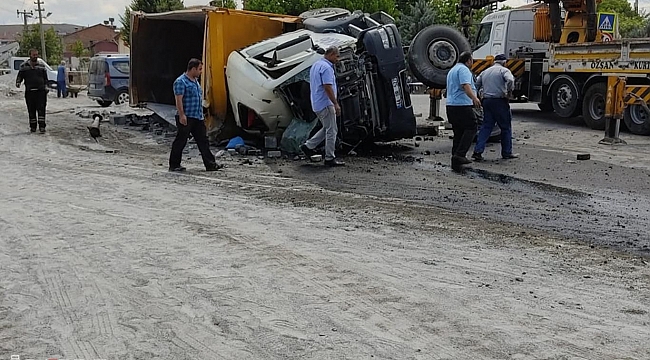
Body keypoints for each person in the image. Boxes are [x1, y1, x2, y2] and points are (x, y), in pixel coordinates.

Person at [168, 58, 222, 172]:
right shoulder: (180, 82)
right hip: (187, 117)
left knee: (203, 141)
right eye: (199, 69)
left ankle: (210, 164)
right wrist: (182, 115)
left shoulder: (195, 81)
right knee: (181, 141)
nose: (201, 71)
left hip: (197, 117)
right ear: (193, 69)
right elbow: (178, 100)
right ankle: (174, 165)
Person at [300, 46, 345, 167]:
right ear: (331, 54)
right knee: (332, 130)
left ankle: (308, 146)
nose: (338, 59)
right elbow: (327, 87)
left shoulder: (316, 65)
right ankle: (330, 158)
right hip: (326, 104)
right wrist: (335, 104)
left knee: (327, 127)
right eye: (337, 56)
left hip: (317, 103)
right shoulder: (326, 68)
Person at [472, 54, 519, 161]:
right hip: (499, 101)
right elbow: (510, 80)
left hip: (487, 101)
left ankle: (478, 151)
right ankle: (507, 152)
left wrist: (480, 95)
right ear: (504, 62)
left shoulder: (485, 71)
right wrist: (509, 92)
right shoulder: (504, 71)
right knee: (505, 127)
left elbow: (476, 84)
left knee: (486, 126)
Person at [445, 51, 481, 171]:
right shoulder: (464, 70)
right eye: (472, 60)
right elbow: (466, 85)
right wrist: (474, 98)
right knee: (472, 126)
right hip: (462, 105)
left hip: (451, 105)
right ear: (469, 60)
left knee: (459, 131)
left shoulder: (452, 70)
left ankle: (455, 157)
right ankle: (460, 154)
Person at [15, 49, 49, 133]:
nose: (35, 56)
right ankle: (33, 127)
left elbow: (45, 78)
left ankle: (42, 127)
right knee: (31, 110)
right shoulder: (24, 66)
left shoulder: (41, 66)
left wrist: (46, 86)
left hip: (41, 92)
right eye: (34, 55)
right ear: (30, 55)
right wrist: (18, 82)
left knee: (41, 109)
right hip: (30, 92)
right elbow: (20, 76)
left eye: (36, 55)